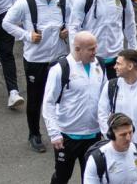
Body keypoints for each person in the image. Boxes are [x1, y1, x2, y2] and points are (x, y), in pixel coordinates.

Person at [2, 0, 70, 152]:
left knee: (61, 97)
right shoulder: (25, 2)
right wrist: (27, 35)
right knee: (36, 99)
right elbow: (6, 23)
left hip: (59, 58)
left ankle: (61, 133)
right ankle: (34, 135)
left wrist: (68, 31)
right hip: (35, 60)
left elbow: (74, 20)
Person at [42, 31, 105, 183]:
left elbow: (105, 99)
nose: (94, 52)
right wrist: (54, 133)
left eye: (95, 47)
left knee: (92, 178)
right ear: (77, 49)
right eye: (90, 49)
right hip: (67, 136)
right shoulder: (60, 69)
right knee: (62, 177)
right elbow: (48, 102)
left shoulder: (99, 65)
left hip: (94, 136)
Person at [68, 0, 137, 75]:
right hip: (92, 58)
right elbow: (74, 27)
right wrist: (76, 58)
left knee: (114, 92)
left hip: (116, 58)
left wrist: (133, 51)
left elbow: (130, 23)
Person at [83, 113, 137, 184]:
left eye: (130, 132)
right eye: (123, 134)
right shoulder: (97, 159)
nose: (128, 138)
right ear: (111, 135)